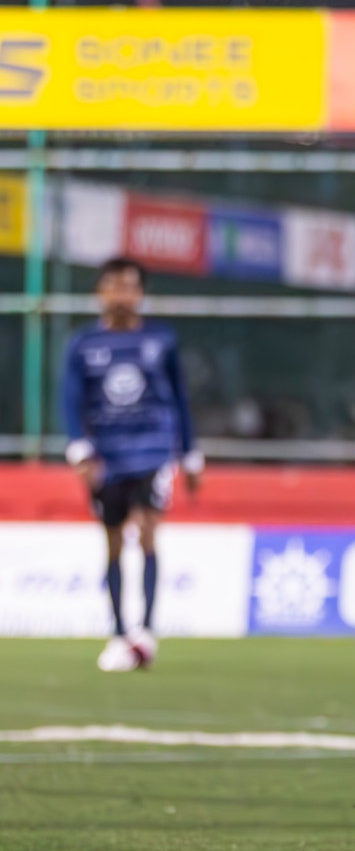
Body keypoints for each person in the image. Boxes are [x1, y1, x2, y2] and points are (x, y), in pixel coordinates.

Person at [62, 257, 202, 672]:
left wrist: (190, 453)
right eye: (113, 285)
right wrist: (79, 450)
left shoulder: (161, 340)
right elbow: (70, 401)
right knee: (113, 542)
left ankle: (145, 630)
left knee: (146, 530)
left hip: (153, 451)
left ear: (140, 293)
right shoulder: (82, 345)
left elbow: (180, 397)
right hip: (107, 458)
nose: (121, 294)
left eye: (129, 286)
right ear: (99, 293)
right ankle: (120, 630)